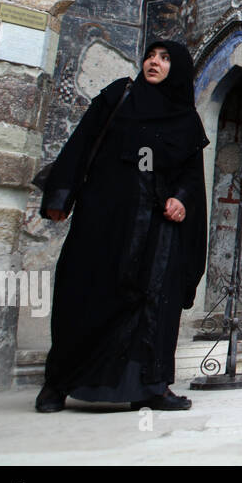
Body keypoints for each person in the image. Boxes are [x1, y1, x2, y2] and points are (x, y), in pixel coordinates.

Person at [34, 40, 210, 413]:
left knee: (154, 304)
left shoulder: (185, 118)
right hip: (107, 214)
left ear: (176, 69)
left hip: (159, 226)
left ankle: (151, 386)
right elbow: (81, 142)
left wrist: (181, 198)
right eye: (151, 55)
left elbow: (192, 174)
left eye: (164, 59)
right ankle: (58, 384)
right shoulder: (120, 97)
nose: (154, 63)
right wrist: (60, 196)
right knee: (86, 291)